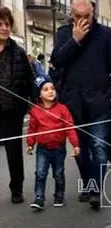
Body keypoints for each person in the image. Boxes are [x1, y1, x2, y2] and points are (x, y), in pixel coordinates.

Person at [50, 0, 111, 210]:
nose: (83, 21)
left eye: (87, 17)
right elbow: (56, 61)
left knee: (99, 147)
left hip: (100, 102)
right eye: (78, 17)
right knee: (80, 149)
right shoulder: (64, 33)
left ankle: (94, 189)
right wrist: (75, 39)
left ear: (93, 12)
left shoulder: (106, 35)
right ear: (72, 15)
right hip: (73, 103)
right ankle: (88, 183)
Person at [27, 76, 80, 210]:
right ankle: (39, 198)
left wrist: (75, 145)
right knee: (40, 173)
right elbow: (32, 129)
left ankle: (59, 194)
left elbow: (70, 128)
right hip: (42, 149)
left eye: (52, 88)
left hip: (59, 148)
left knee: (58, 173)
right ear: (39, 94)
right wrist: (30, 143)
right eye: (45, 89)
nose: (50, 91)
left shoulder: (63, 109)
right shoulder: (35, 111)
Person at [0, 6, 34, 204]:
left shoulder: (18, 52)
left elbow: (29, 80)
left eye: (7, 24)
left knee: (13, 150)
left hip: (12, 109)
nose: (4, 28)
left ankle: (16, 188)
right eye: (1, 24)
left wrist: (31, 104)